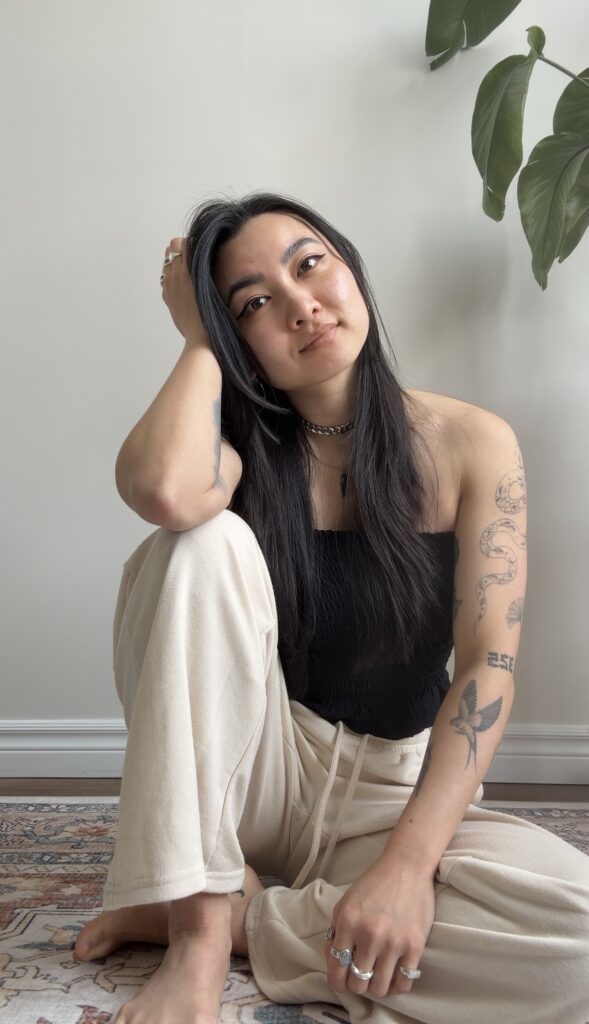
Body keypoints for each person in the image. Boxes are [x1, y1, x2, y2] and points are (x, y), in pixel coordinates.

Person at [73, 193, 588, 1024]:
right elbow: (165, 492)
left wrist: (405, 869)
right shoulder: (233, 451)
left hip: (385, 793)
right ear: (236, 342)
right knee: (196, 543)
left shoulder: (471, 442)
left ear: (349, 267)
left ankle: (245, 917)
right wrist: (198, 334)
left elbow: (489, 663)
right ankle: (198, 933)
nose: (300, 304)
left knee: (576, 942)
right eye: (253, 304)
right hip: (255, 779)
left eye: (310, 265)